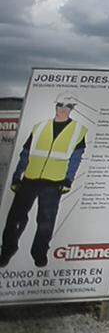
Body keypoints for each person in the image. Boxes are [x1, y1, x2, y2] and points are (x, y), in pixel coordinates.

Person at [1, 93, 88, 268]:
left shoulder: (78, 131)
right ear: (55, 106)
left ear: (72, 109)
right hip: (30, 179)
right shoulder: (40, 127)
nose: (62, 109)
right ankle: (7, 251)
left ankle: (39, 253)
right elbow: (25, 153)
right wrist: (17, 176)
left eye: (67, 106)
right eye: (60, 105)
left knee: (45, 221)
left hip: (54, 182)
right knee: (15, 218)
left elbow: (75, 159)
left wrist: (68, 180)